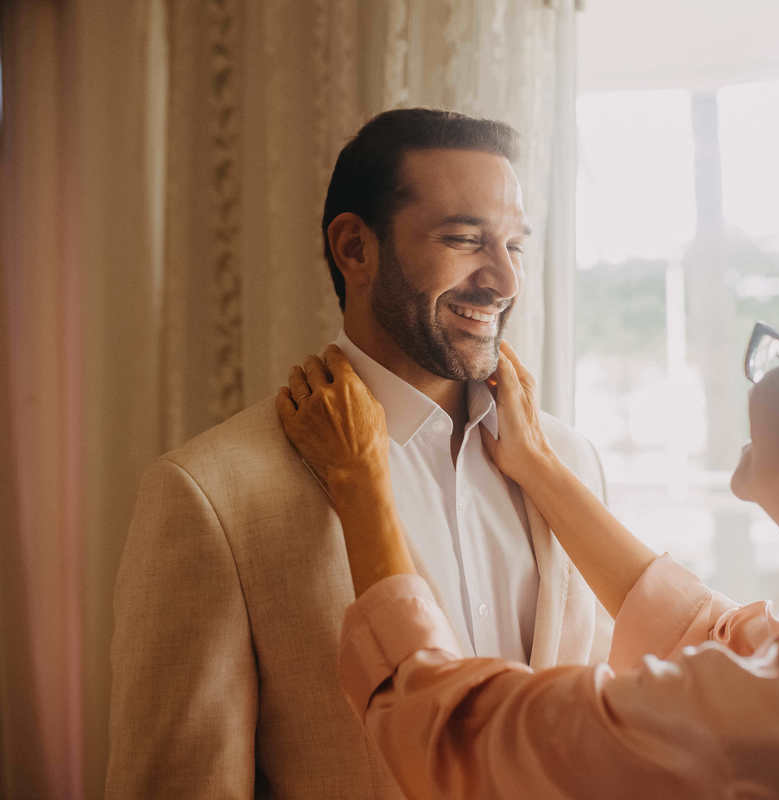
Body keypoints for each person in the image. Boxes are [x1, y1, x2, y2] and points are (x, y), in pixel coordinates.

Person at [279, 240, 779, 799]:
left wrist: (362, 485)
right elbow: (718, 638)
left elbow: (453, 735)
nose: (756, 378)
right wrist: (539, 468)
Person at [107, 109, 610, 799]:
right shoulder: (211, 495)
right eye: (465, 239)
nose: (504, 280)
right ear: (355, 249)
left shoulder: (571, 463)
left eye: (515, 245)